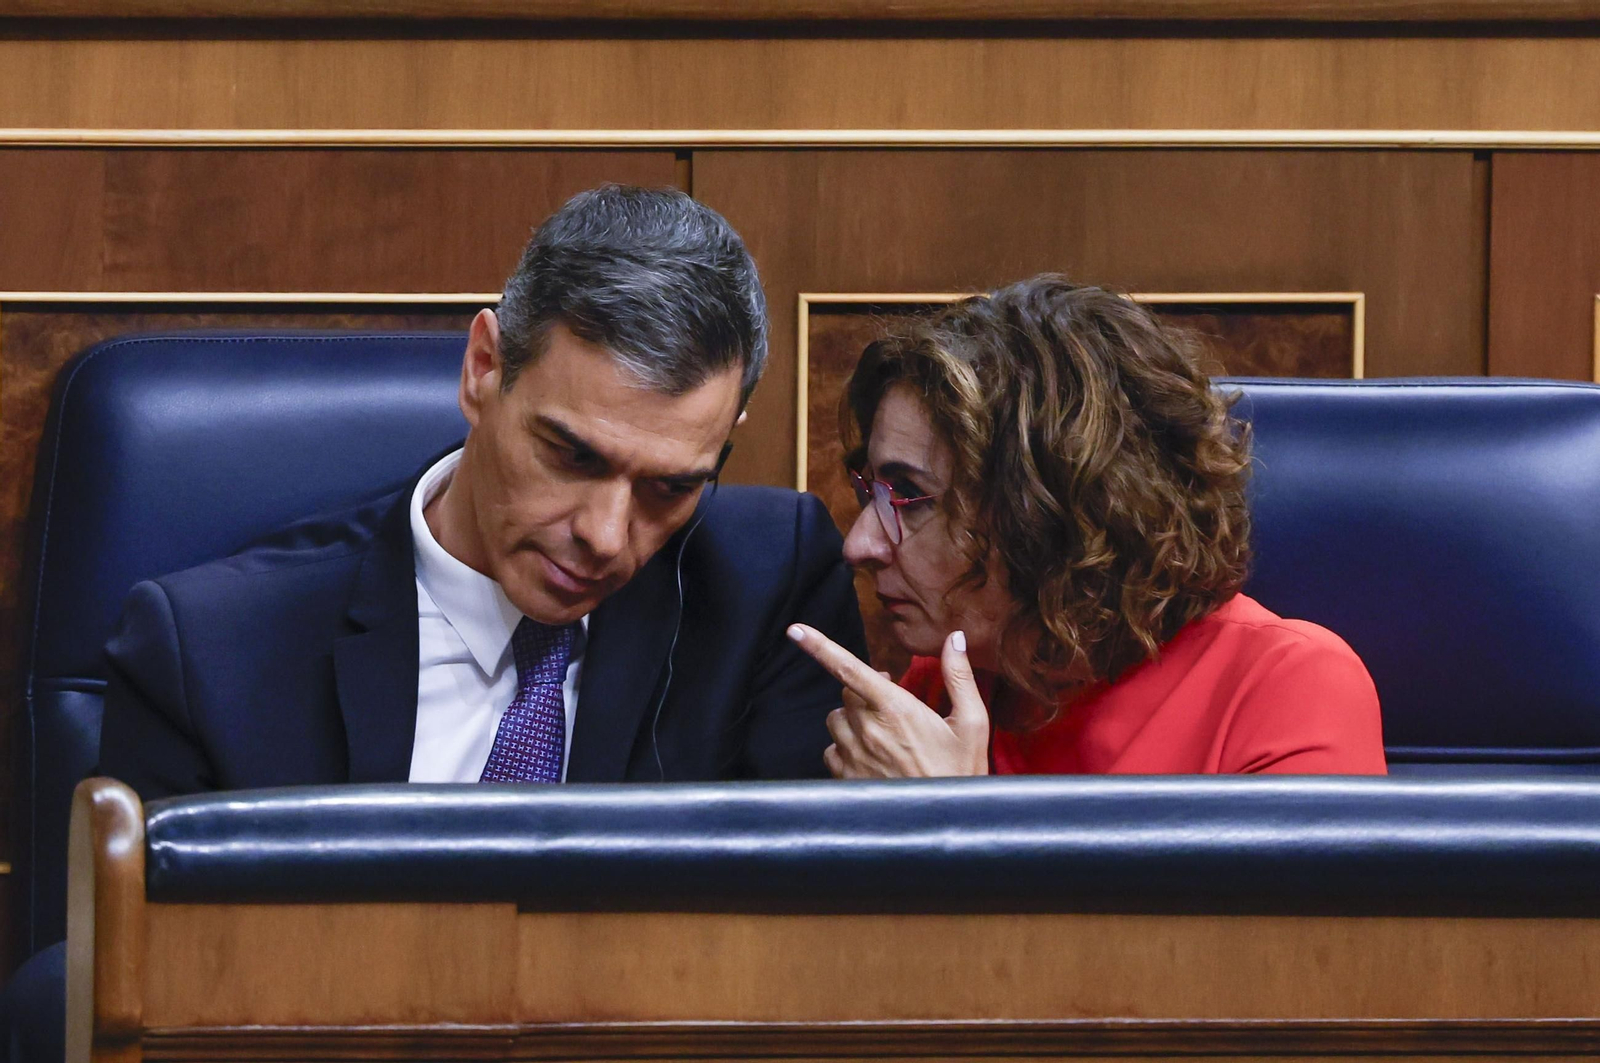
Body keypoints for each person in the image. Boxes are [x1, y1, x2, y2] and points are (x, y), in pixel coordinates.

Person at [0, 185, 867, 1062]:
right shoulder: (211, 651)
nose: (607, 535)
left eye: (671, 486)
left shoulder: (770, 587)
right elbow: (148, 999)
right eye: (572, 455)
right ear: (483, 369)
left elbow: (817, 964)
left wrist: (931, 809)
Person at [787, 275, 1386, 778]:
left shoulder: (1289, 690)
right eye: (873, 492)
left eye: (910, 497)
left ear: (1049, 515)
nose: (860, 544)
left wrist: (952, 822)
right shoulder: (943, 687)